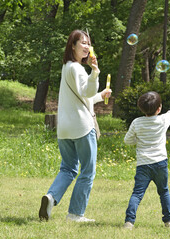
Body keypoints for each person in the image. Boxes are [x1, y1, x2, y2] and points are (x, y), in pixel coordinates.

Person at [39, 29, 111, 222]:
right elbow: (87, 91)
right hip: (81, 128)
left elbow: (83, 97)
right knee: (88, 170)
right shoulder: (79, 69)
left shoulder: (67, 67)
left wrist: (100, 95)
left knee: (68, 168)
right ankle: (75, 214)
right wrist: (95, 72)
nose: (87, 47)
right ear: (72, 46)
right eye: (83, 43)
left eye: (89, 43)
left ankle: (51, 197)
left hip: (64, 129)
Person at [123, 83, 170, 229]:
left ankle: (129, 221)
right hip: (160, 163)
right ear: (159, 109)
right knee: (163, 191)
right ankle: (168, 221)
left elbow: (127, 140)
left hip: (143, 165)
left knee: (137, 194)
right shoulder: (163, 120)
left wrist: (138, 140)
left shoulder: (137, 122)